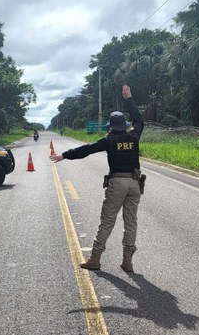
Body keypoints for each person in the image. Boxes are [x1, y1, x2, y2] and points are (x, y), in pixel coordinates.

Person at [50, 84, 144, 272]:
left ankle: (95, 258)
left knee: (107, 221)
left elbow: (86, 150)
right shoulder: (134, 137)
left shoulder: (109, 141)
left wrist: (64, 155)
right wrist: (129, 99)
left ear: (110, 127)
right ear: (124, 126)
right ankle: (127, 261)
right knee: (131, 222)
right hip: (135, 183)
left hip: (117, 183)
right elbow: (139, 120)